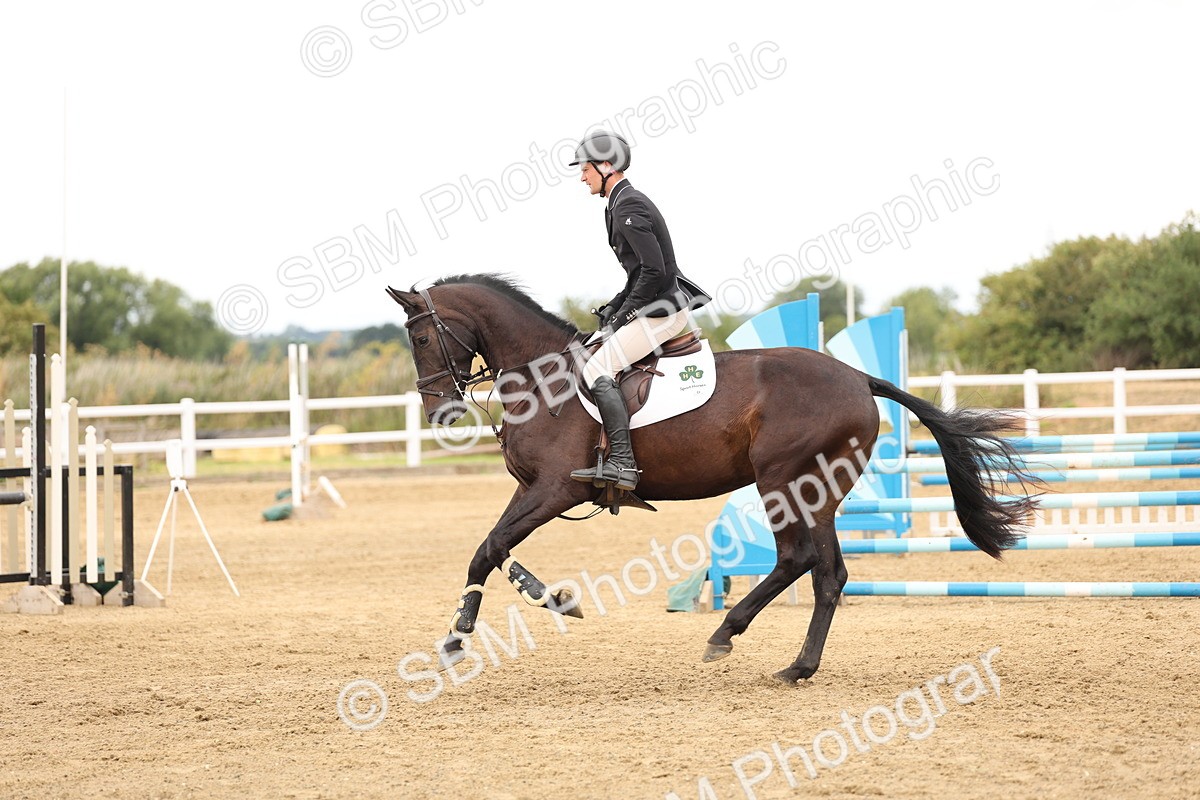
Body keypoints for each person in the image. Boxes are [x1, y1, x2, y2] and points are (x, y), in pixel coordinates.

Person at [567, 130, 711, 492]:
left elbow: (655, 271)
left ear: (606, 166)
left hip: (662, 311)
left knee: (598, 368)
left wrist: (623, 316)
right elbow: (638, 273)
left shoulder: (628, 204)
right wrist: (615, 306)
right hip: (651, 305)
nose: (581, 176)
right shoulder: (617, 204)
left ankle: (623, 464)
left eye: (585, 169)